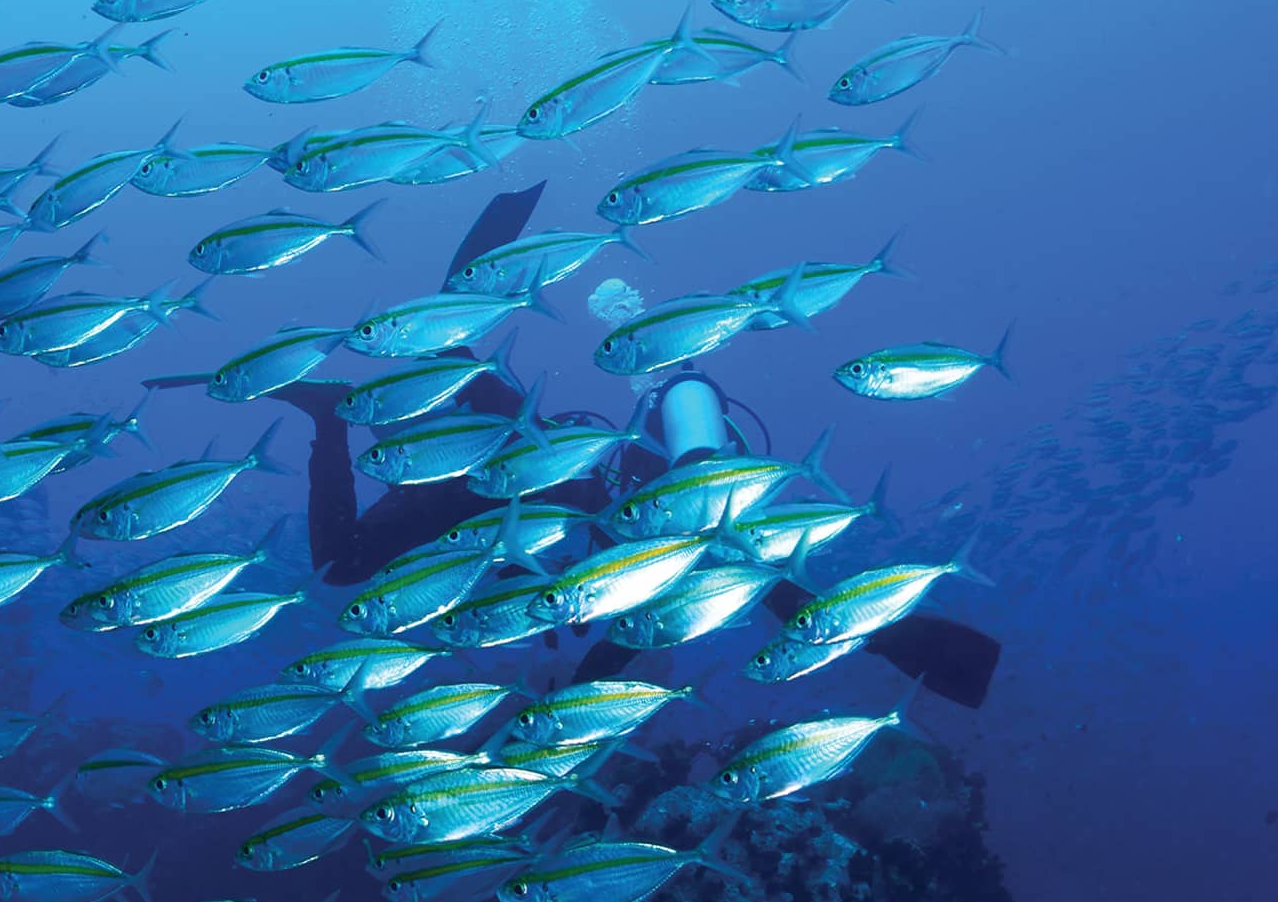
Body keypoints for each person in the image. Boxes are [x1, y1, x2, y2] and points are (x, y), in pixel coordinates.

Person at [279, 181, 1000, 710]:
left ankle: (339, 412)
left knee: (349, 564)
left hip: (532, 517)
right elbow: (694, 485)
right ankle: (448, 313)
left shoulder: (684, 411)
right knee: (474, 411)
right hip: (551, 483)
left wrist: (579, 695)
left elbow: (638, 611)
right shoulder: (682, 401)